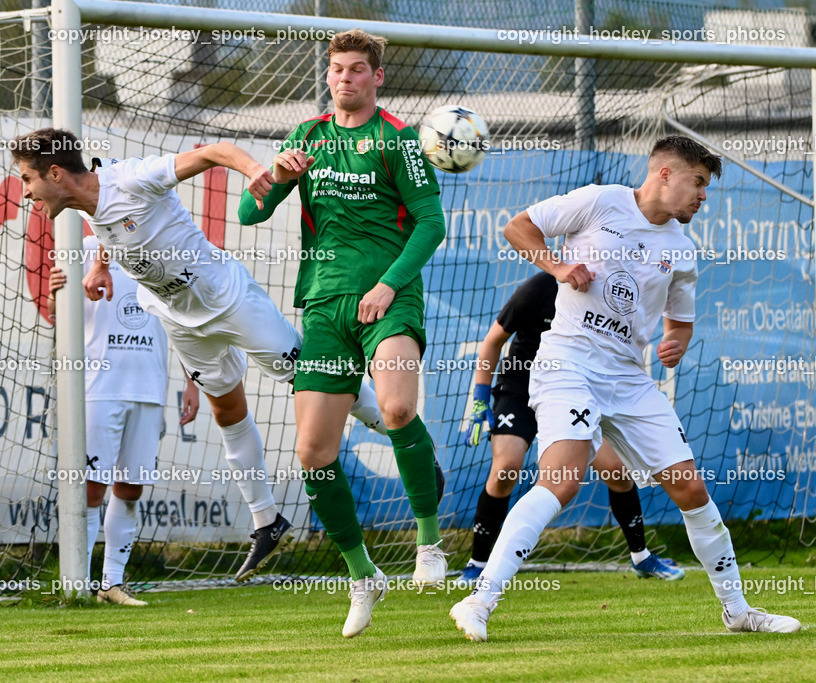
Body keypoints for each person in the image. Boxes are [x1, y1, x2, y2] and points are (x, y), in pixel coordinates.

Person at [450, 136, 801, 641]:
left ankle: (738, 610)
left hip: (630, 378)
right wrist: (557, 266)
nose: (703, 197)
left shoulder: (682, 250)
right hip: (568, 362)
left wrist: (675, 343)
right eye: (698, 183)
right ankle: (480, 599)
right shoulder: (600, 200)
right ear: (664, 174)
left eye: (706, 187)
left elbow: (680, 322)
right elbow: (517, 227)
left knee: (692, 488)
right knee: (563, 479)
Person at [13, 130, 386, 583]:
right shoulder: (87, 201)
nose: (26, 191)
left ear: (55, 173)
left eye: (27, 179)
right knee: (226, 408)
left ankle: (398, 428)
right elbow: (117, 226)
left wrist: (254, 172)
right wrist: (102, 264)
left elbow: (212, 152)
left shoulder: (131, 177)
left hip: (227, 298)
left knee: (313, 377)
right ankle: (267, 520)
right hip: (180, 317)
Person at [239, 29, 448, 638]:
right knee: (312, 453)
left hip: (388, 299)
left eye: (358, 70)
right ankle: (363, 575)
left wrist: (387, 285)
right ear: (327, 76)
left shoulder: (400, 140)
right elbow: (251, 213)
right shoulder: (306, 137)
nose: (346, 79)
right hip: (325, 306)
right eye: (337, 70)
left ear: (377, 78)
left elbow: (432, 224)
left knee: (398, 407)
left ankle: (429, 542)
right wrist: (276, 176)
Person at [461, 271, 683, 582]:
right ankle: (478, 564)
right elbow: (492, 341)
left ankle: (641, 557)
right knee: (506, 470)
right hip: (520, 389)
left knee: (617, 472)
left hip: (573, 391)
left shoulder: (609, 290)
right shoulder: (541, 286)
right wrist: (480, 399)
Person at [47, 235, 199, 605]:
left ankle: (111, 585)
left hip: (149, 385)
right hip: (100, 385)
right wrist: (58, 296)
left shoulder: (163, 246)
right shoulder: (82, 247)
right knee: (91, 488)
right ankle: (77, 584)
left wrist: (192, 380)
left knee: (131, 488)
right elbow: (62, 318)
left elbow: (178, 319)